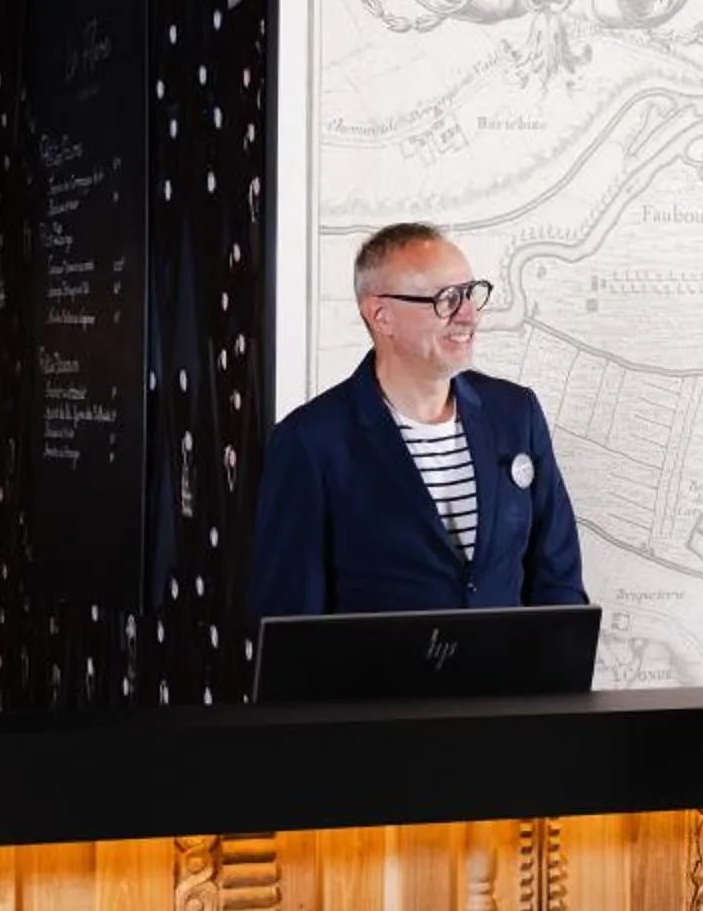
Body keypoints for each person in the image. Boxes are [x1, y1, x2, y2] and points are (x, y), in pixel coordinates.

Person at [246, 222, 586, 619]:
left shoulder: (515, 413)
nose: (469, 314)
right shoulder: (311, 441)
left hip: (508, 681)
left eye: (472, 293)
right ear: (381, 315)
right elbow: (290, 621)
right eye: (447, 299)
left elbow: (557, 576)